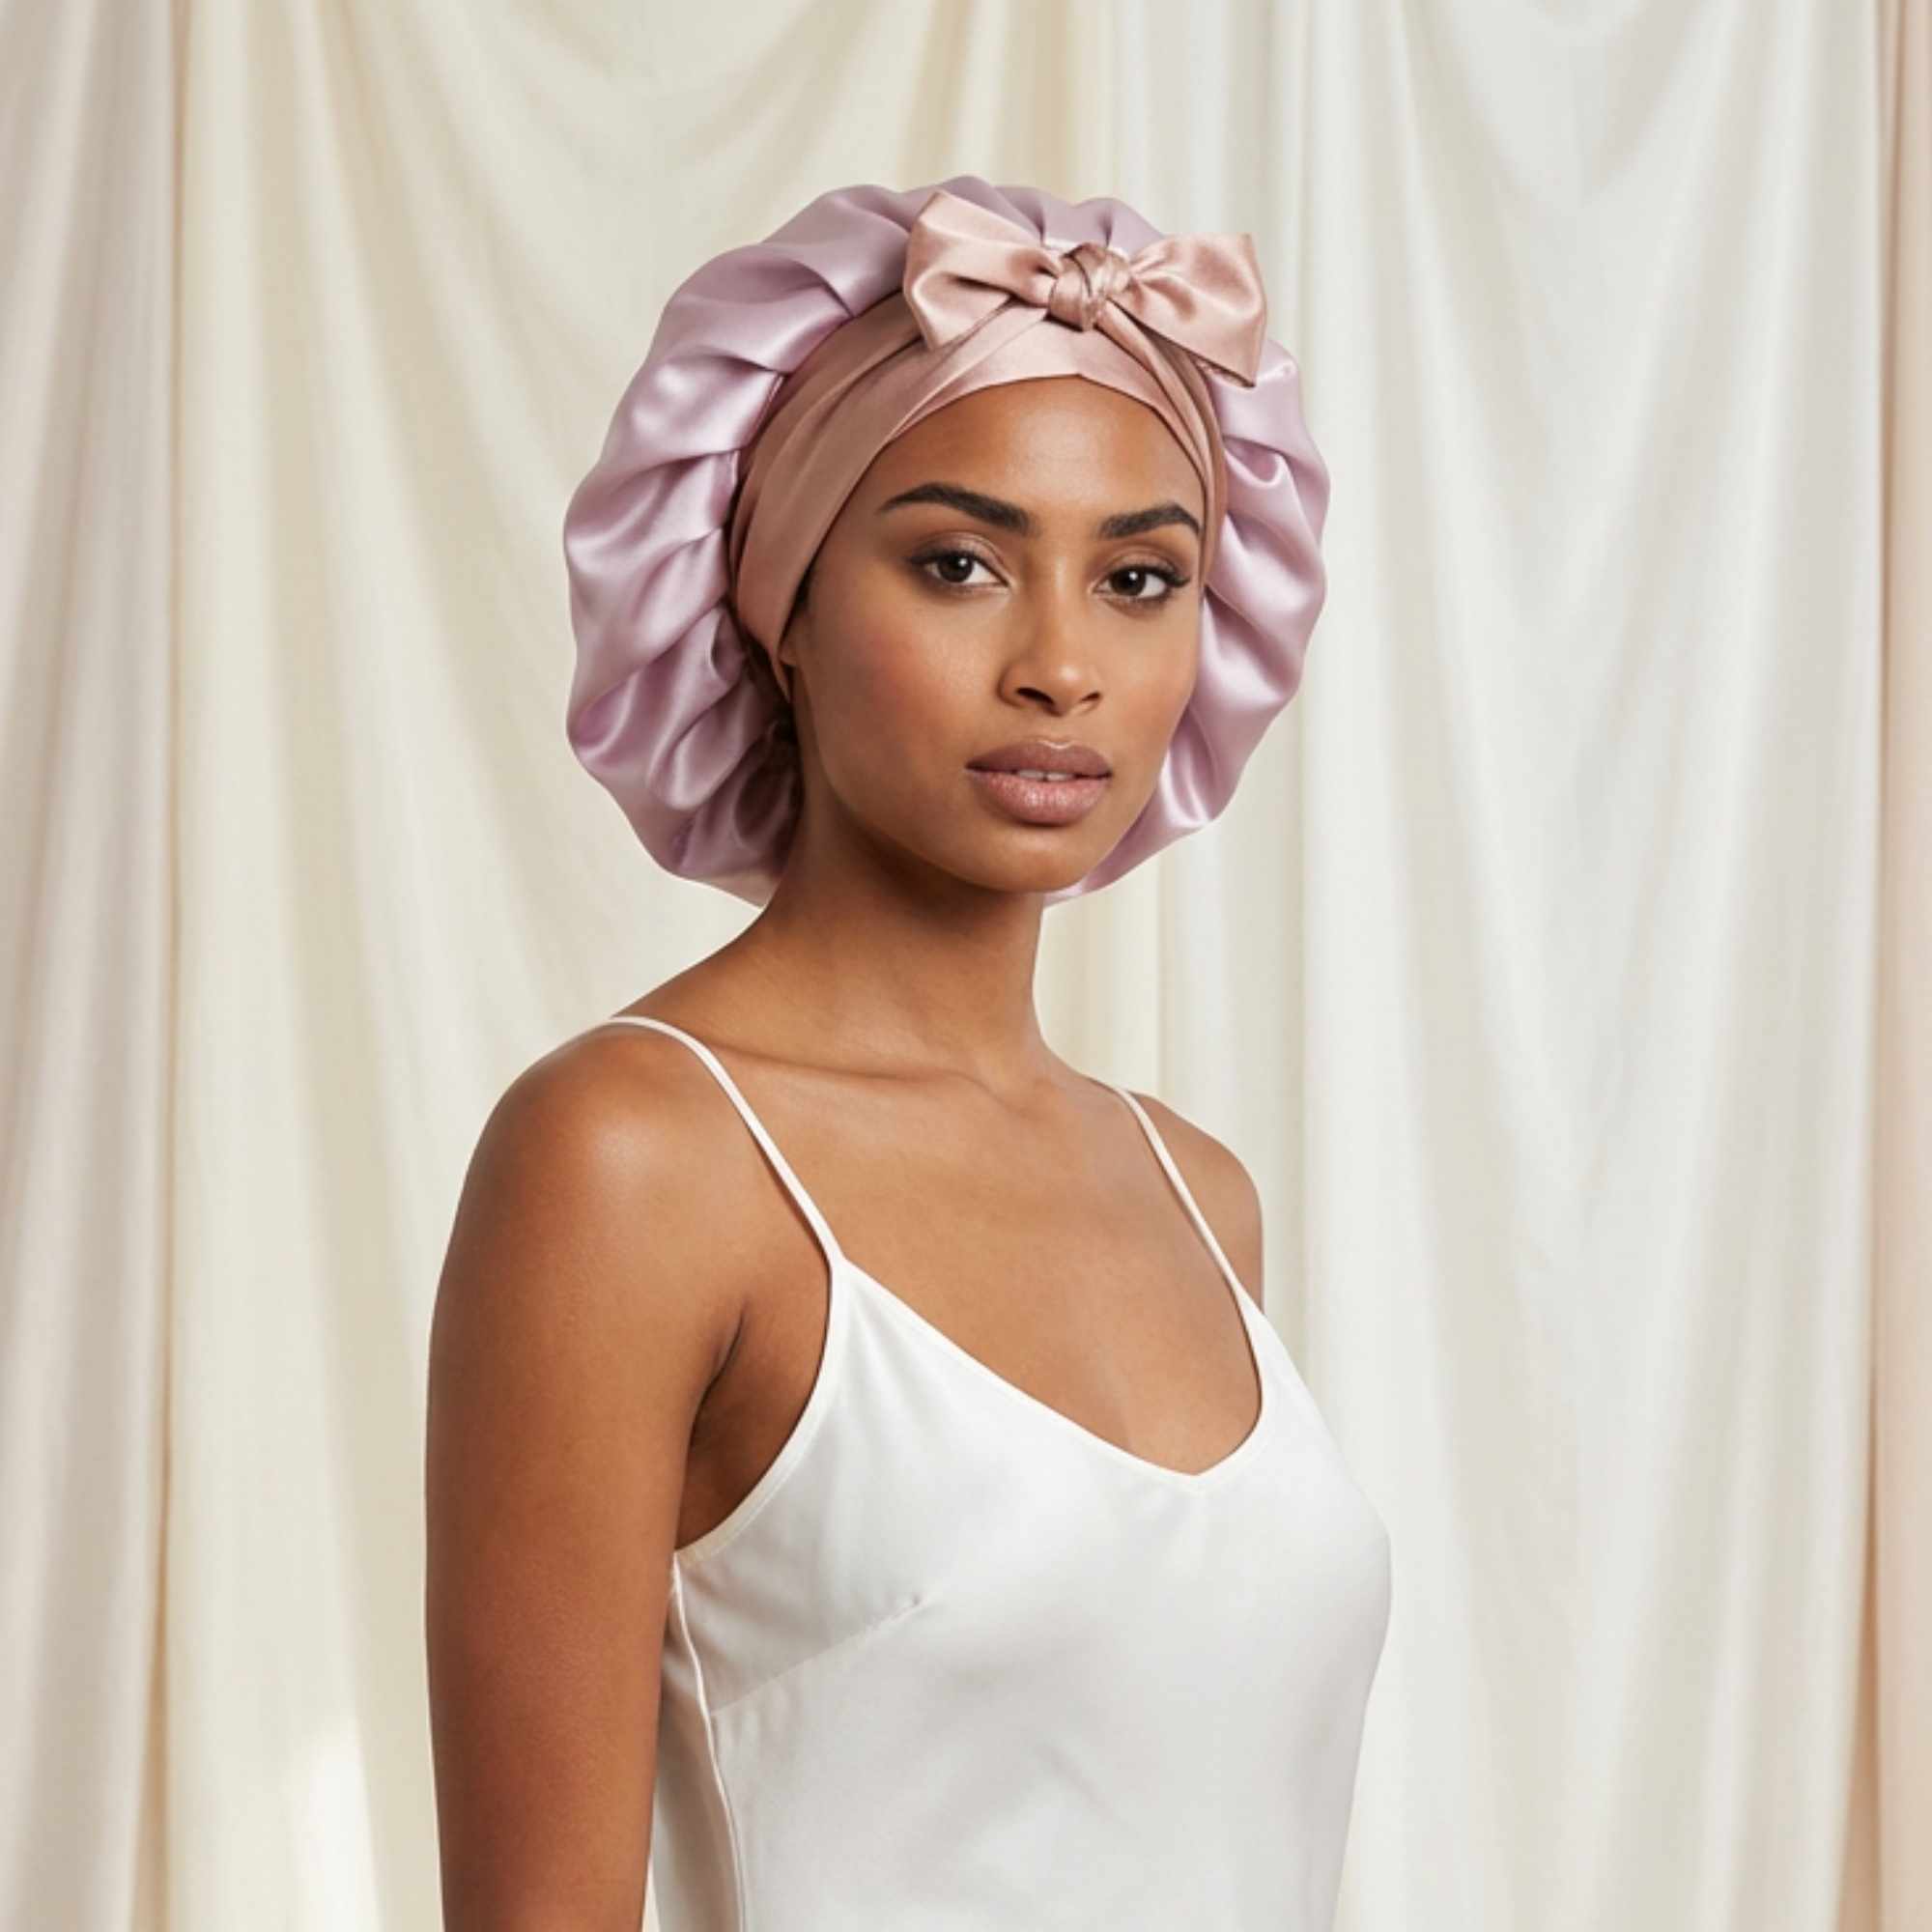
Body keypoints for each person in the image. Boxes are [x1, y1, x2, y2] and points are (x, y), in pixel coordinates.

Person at [425, 176, 1391, 1931]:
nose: (1060, 666)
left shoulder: (1197, 1195)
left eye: (1139, 578)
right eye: (958, 563)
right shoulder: (633, 1158)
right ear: (777, 599)